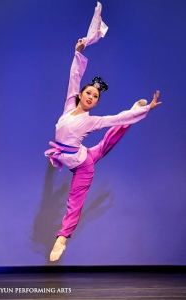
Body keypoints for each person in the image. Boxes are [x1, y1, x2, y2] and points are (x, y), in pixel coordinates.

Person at [45, 39, 162, 261]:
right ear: (80, 95)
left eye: (95, 97)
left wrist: (146, 109)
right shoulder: (69, 106)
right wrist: (78, 52)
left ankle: (61, 239)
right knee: (103, 145)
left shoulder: (91, 121)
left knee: (110, 137)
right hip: (79, 155)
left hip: (83, 165)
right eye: (88, 93)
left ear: (96, 103)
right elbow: (74, 78)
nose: (91, 97)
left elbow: (115, 118)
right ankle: (135, 109)